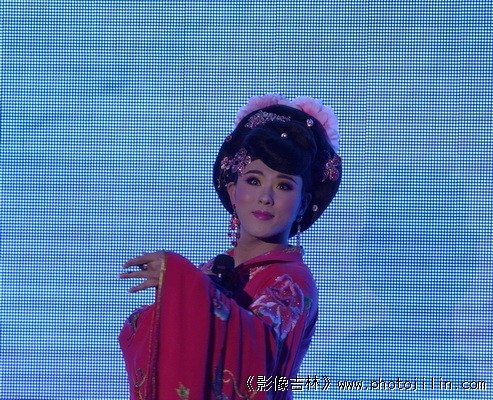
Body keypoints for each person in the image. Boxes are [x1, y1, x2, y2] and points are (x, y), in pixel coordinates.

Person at [119, 94, 342, 399]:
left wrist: (183, 283)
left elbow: (256, 359)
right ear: (233, 189)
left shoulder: (292, 282)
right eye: (254, 180)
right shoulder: (212, 270)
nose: (265, 197)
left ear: (303, 204)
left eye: (283, 186)